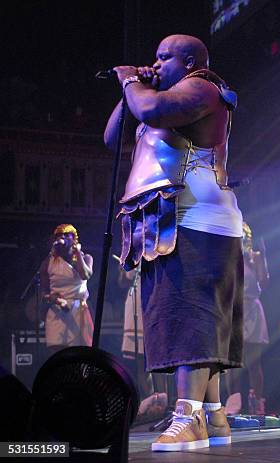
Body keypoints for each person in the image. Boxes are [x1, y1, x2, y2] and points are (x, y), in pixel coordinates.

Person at [104, 34, 243, 451]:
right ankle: (213, 416)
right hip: (179, 221)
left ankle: (188, 417)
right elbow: (114, 139)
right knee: (195, 319)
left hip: (199, 219)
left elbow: (148, 106)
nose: (155, 63)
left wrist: (133, 82)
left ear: (188, 60)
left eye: (163, 57)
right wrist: (126, 88)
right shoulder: (161, 98)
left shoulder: (204, 87)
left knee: (192, 318)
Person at [225, 222, 270, 415]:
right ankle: (234, 402)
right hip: (234, 309)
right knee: (232, 361)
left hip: (252, 308)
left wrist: (262, 259)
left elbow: (264, 282)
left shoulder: (255, 258)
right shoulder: (228, 258)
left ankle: (257, 401)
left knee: (253, 361)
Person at [118, 264, 168, 423]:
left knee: (158, 357)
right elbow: (122, 283)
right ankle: (148, 403)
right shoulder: (134, 252)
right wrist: (124, 267)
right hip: (135, 301)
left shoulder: (158, 248)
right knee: (140, 357)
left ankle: (163, 405)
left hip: (155, 298)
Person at [40, 224, 94, 355]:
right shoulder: (48, 262)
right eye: (58, 235)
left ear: (74, 238)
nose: (61, 237)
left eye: (66, 234)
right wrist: (51, 298)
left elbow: (85, 275)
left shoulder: (86, 258)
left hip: (78, 310)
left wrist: (77, 254)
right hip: (57, 312)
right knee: (58, 356)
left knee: (80, 355)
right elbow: (43, 292)